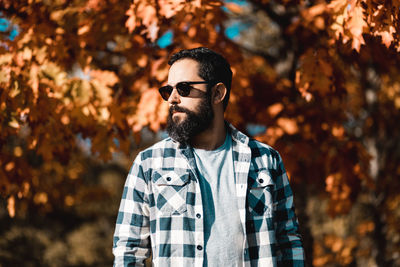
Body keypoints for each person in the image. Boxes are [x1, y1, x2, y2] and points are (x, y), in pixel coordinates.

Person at [113, 47, 305, 266]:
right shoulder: (149, 164)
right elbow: (128, 251)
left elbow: (288, 241)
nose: (172, 99)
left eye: (183, 88)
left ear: (217, 93)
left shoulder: (265, 160)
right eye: (168, 91)